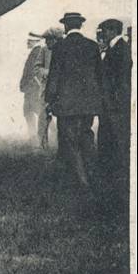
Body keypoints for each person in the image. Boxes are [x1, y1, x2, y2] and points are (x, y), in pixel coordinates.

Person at [45, 12, 103, 190]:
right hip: (88, 105)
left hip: (66, 104)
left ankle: (82, 182)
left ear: (66, 26)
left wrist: (49, 100)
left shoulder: (60, 47)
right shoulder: (92, 46)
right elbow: (99, 76)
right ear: (80, 25)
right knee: (86, 139)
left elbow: (54, 76)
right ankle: (93, 177)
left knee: (70, 142)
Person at [96, 18, 131, 190]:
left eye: (103, 31)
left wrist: (114, 101)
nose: (102, 34)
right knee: (110, 137)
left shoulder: (120, 49)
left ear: (111, 31)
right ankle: (111, 172)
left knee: (115, 138)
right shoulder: (117, 48)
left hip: (114, 105)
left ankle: (115, 173)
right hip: (111, 103)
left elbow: (121, 79)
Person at [36, 28, 64, 150]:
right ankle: (42, 144)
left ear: (56, 40)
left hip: (62, 89)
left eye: (49, 40)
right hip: (46, 88)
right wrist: (45, 72)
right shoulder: (44, 50)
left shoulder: (65, 50)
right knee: (43, 116)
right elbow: (37, 67)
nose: (47, 43)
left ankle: (62, 145)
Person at [19, 32, 47, 143]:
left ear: (36, 41)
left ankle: (46, 136)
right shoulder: (35, 51)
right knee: (29, 111)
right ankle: (33, 137)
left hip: (34, 88)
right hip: (30, 88)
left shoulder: (37, 51)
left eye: (30, 41)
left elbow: (34, 71)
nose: (27, 42)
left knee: (38, 112)